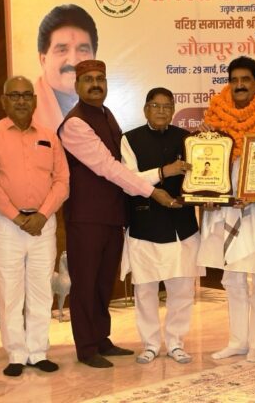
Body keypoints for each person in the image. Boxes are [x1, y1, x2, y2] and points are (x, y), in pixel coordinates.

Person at [57, 59, 180, 368]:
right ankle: (86, 347)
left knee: (103, 282)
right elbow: (108, 167)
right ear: (77, 85)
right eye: (88, 80)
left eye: (100, 79)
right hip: (86, 217)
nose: (95, 84)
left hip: (112, 215)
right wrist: (153, 190)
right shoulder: (75, 124)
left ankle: (101, 339)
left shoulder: (106, 114)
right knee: (85, 283)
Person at [0, 76, 69, 377]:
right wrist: (16, 217)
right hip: (6, 223)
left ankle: (38, 351)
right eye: (14, 95)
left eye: (26, 95)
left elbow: (62, 181)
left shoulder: (49, 136)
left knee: (42, 288)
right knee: (10, 290)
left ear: (35, 100)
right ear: (3, 100)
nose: (21, 101)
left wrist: (42, 215)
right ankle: (16, 354)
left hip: (43, 223)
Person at [200, 56, 255, 362]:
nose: (239, 85)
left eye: (245, 79)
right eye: (234, 80)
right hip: (224, 209)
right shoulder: (214, 119)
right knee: (232, 278)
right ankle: (238, 340)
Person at [119, 87, 202, 365]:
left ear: (174, 110)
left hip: (182, 225)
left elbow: (199, 177)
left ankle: (176, 342)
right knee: (145, 291)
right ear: (146, 109)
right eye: (156, 106)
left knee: (182, 289)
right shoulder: (130, 139)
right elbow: (129, 181)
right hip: (145, 226)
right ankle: (151, 344)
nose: (162, 111)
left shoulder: (186, 138)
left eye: (167, 106)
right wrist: (164, 171)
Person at [33, 4, 98, 133]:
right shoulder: (25, 114)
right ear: (43, 60)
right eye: (62, 50)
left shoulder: (104, 112)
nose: (73, 61)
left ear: (94, 57)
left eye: (83, 50)